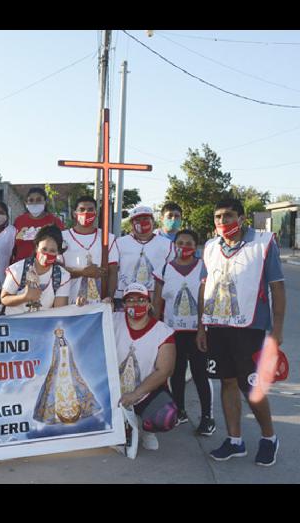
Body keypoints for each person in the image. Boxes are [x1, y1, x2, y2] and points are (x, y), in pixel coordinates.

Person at [197, 198, 285, 466]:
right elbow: (204, 287)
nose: (223, 221)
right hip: (218, 326)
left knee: (252, 387)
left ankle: (269, 438)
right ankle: (235, 441)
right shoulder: (211, 247)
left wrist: (277, 330)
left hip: (250, 326)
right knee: (227, 382)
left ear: (242, 217)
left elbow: (277, 289)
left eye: (228, 215)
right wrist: (202, 326)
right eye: (218, 217)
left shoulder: (263, 243)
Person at [153, 229, 215, 436]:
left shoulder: (204, 269)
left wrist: (203, 329)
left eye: (189, 243)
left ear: (196, 247)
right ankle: (180, 411)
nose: (184, 247)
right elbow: (157, 301)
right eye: (180, 242)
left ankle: (207, 417)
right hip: (173, 332)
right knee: (176, 373)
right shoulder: (165, 269)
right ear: (174, 245)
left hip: (198, 332)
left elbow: (209, 300)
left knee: (199, 374)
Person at [116, 283, 177, 451]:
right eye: (130, 300)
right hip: (114, 390)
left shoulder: (163, 332)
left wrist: (136, 394)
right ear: (123, 305)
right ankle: (121, 425)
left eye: (141, 300)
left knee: (166, 416)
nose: (135, 304)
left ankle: (148, 429)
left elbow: (165, 370)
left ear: (149, 304)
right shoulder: (112, 320)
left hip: (145, 391)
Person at [1, 225, 72, 314]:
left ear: (58, 252)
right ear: (36, 248)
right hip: (15, 323)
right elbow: (4, 298)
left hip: (42, 325)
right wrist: (25, 297)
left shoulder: (62, 276)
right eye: (44, 249)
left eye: (52, 251)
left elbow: (59, 310)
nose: (47, 254)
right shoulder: (18, 269)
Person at [61, 195, 118, 305]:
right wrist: (83, 272)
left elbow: (113, 271)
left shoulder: (108, 238)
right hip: (68, 301)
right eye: (82, 209)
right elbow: (56, 270)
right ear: (74, 214)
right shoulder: (62, 237)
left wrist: (110, 298)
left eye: (90, 210)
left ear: (96, 213)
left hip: (99, 303)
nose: (86, 212)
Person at [115, 205, 174, 303]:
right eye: (137, 220)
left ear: (153, 221)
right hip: (124, 297)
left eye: (146, 218)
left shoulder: (167, 244)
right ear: (131, 223)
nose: (142, 222)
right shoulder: (119, 243)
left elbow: (171, 272)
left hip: (155, 298)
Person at [12, 186, 65, 262]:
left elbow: (61, 245)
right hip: (20, 266)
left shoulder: (54, 221)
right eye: (31, 200)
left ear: (45, 201)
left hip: (47, 267)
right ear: (26, 203)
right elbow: (13, 246)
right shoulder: (19, 221)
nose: (34, 203)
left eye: (39, 200)